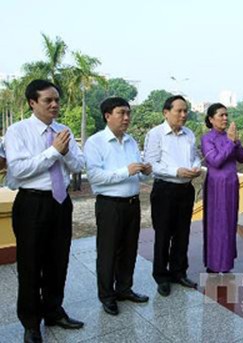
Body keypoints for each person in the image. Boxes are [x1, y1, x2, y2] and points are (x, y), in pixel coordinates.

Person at [4, 79, 85, 343]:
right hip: (32, 204)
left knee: (58, 261)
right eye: (48, 100)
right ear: (32, 102)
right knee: (30, 265)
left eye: (57, 100)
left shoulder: (63, 130)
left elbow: (78, 164)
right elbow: (19, 170)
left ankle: (53, 311)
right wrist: (53, 151)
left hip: (60, 204)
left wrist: (64, 152)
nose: (54, 105)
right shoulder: (18, 131)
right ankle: (30, 323)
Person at [84, 97, 151, 316]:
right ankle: (107, 295)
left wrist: (144, 172)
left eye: (128, 113)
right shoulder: (95, 142)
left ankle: (124, 288)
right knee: (108, 252)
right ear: (107, 115)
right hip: (109, 205)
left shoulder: (131, 141)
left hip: (132, 204)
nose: (126, 118)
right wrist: (126, 171)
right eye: (121, 113)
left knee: (129, 249)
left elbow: (136, 176)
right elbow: (94, 176)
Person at [144, 95, 201, 296]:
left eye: (186, 111)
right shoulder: (156, 134)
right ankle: (161, 276)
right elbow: (152, 165)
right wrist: (176, 171)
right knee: (163, 234)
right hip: (165, 190)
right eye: (179, 111)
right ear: (166, 112)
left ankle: (179, 272)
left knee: (182, 233)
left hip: (186, 190)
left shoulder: (189, 134)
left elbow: (194, 157)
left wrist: (195, 168)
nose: (183, 115)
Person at [201, 103, 243, 273]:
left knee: (229, 222)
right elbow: (215, 161)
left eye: (226, 115)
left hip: (231, 184)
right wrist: (230, 142)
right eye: (221, 115)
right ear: (211, 119)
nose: (225, 118)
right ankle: (214, 263)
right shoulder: (207, 138)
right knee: (216, 223)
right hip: (216, 185)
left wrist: (236, 142)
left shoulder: (230, 137)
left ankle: (226, 262)